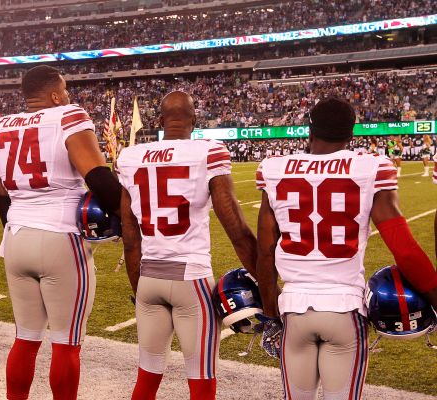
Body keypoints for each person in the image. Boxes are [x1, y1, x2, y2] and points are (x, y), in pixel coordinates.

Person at [255, 98, 437, 400]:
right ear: (350, 136)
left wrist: (271, 314)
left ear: (309, 133)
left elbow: (264, 251)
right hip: (344, 309)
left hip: (294, 310)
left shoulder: (275, 169)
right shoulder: (370, 166)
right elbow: (403, 249)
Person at [0, 65, 122, 400]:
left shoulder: (0, 126)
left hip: (17, 237)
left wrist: (19, 226)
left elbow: (1, 193)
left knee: (25, 338)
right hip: (60, 236)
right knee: (66, 344)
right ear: (53, 95)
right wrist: (129, 220)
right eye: (64, 91)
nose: (68, 96)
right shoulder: (67, 115)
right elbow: (99, 179)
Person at [117, 91, 258, 400]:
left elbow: (130, 239)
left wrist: (139, 289)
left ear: (159, 121)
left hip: (149, 278)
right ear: (194, 121)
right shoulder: (207, 152)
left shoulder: (130, 157)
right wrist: (266, 281)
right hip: (190, 279)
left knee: (147, 376)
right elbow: (237, 229)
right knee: (201, 378)